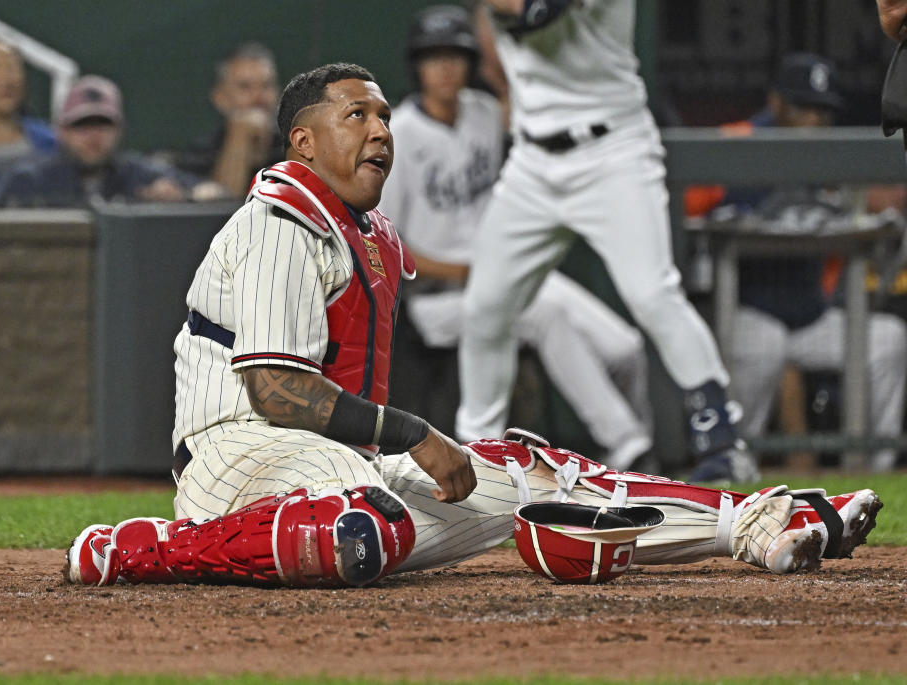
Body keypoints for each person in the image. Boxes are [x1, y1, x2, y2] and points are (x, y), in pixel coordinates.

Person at [63, 62, 880, 591]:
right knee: (362, 520)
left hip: (334, 464)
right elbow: (275, 389)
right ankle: (143, 548)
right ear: (304, 141)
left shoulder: (368, 234)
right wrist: (414, 433)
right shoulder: (282, 217)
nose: (381, 129)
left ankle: (759, 520)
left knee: (532, 471)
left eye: (384, 116)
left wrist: (419, 453)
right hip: (235, 453)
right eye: (357, 116)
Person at [455, 1, 754, 483]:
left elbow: (530, 10)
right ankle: (476, 451)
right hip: (532, 161)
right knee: (485, 308)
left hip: (612, 153)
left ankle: (722, 437)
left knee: (652, 293)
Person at [379, 5, 653, 470]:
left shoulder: (486, 113)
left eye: (455, 55)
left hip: (506, 277)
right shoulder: (398, 133)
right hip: (437, 299)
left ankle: (637, 459)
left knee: (625, 347)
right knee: (544, 315)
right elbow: (389, 247)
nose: (445, 67)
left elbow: (514, 78)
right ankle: (629, 446)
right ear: (417, 65)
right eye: (434, 57)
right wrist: (471, 269)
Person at [689, 53, 907, 472]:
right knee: (764, 343)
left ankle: (874, 470)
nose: (814, 120)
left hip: (810, 320)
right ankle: (734, 467)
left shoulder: (827, 157)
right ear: (776, 103)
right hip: (744, 313)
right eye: (804, 107)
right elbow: (686, 216)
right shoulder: (734, 144)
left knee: (888, 339)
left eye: (823, 111)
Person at [0, 75, 218, 207]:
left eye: (103, 124)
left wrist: (184, 198)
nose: (94, 135)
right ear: (61, 131)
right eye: (82, 125)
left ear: (120, 129)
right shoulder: (29, 180)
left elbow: (214, 193)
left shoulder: (138, 173)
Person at [171, 42, 284, 198]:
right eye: (245, 87)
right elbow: (218, 212)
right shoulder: (198, 157)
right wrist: (239, 137)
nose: (259, 97)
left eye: (266, 86)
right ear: (220, 98)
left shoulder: (296, 150)